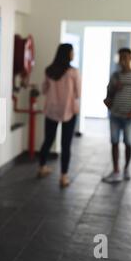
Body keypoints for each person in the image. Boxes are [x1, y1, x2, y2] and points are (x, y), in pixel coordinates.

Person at [37, 43, 81, 187]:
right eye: (72, 52)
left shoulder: (49, 71)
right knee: (66, 144)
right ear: (67, 54)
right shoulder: (73, 72)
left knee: (48, 140)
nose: (73, 55)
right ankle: (63, 177)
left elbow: (43, 89)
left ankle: (42, 167)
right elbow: (78, 93)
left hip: (51, 110)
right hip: (68, 110)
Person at [103, 48, 131, 183]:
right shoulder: (115, 76)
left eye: (126, 57)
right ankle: (116, 170)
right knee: (114, 142)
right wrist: (115, 88)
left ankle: (126, 168)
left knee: (128, 143)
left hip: (129, 117)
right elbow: (108, 94)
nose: (123, 60)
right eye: (121, 57)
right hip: (114, 115)